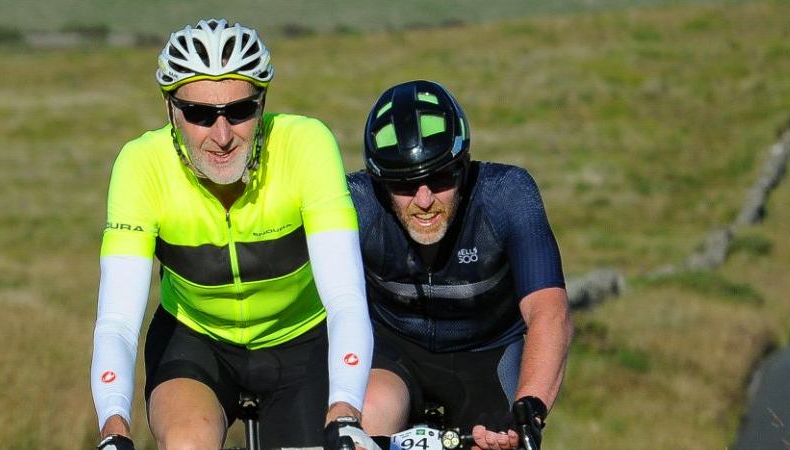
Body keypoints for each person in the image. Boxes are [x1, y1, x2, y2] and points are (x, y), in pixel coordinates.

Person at [89, 19, 379, 450]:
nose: (222, 136)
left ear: (262, 104)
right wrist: (114, 430)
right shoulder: (140, 165)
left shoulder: (306, 143)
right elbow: (116, 323)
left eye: (240, 111)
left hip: (302, 339)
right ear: (170, 109)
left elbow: (346, 299)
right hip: (195, 341)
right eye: (200, 114)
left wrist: (344, 414)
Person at [347, 80, 571, 450]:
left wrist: (530, 407)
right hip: (393, 353)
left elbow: (550, 312)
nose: (423, 200)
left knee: (507, 438)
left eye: (439, 178)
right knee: (365, 424)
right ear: (379, 182)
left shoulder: (507, 194)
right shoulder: (356, 203)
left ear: (463, 168)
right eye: (403, 183)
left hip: (488, 356)